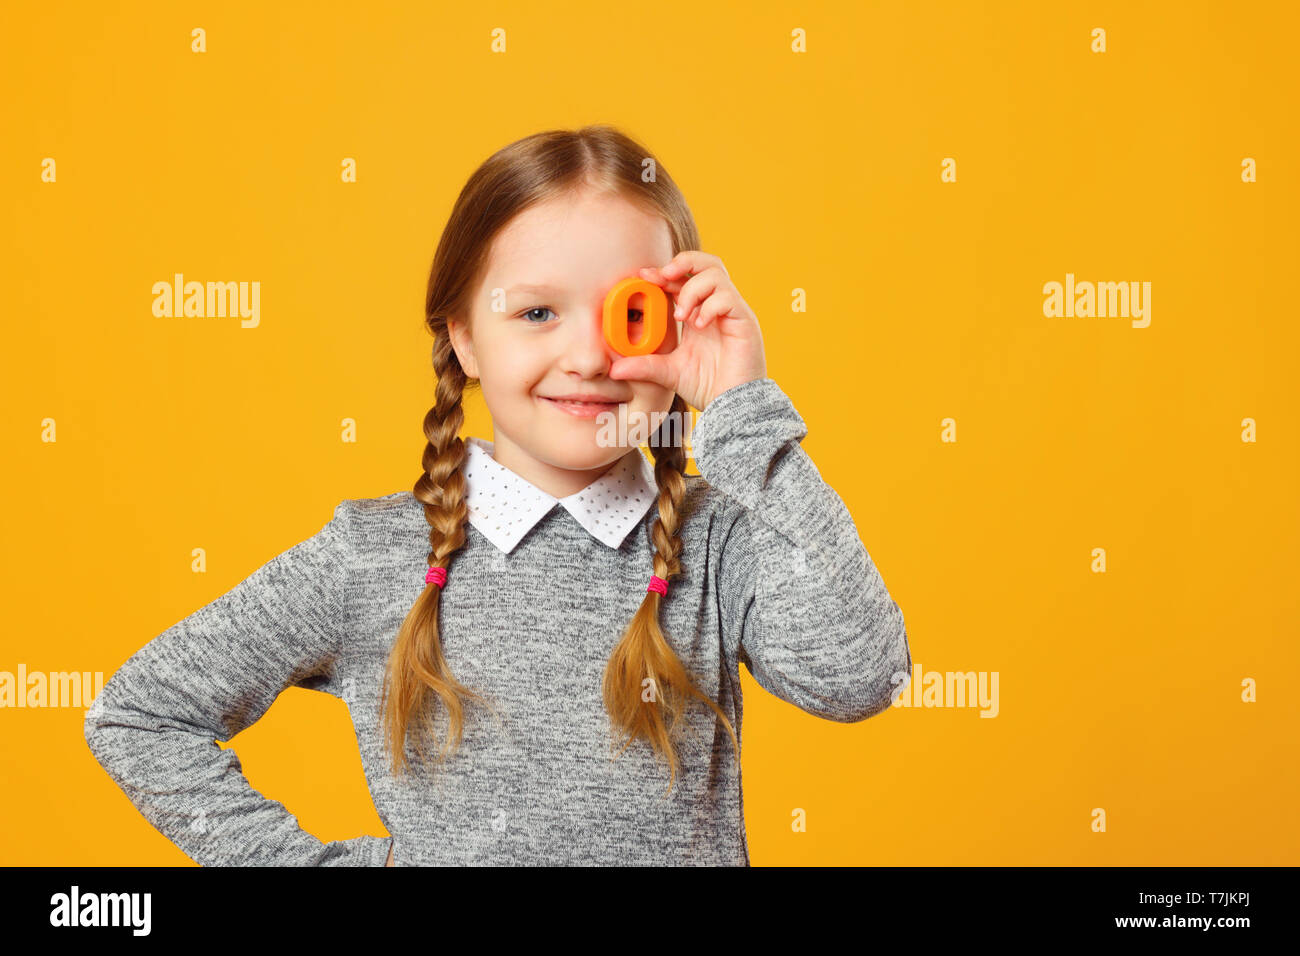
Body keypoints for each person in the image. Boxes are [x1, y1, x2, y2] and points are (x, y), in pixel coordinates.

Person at [84, 124, 911, 866]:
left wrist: (745, 413)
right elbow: (141, 717)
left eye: (627, 315)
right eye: (539, 311)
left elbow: (860, 676)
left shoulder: (721, 541)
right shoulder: (374, 558)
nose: (587, 357)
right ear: (464, 337)